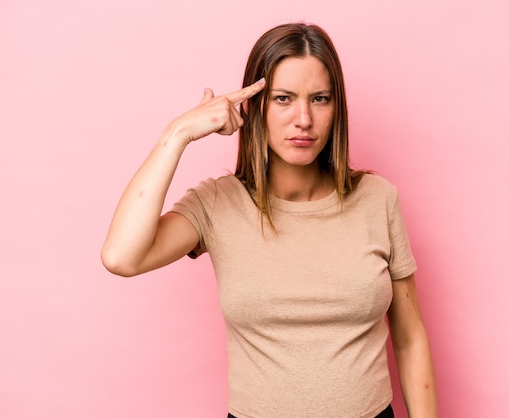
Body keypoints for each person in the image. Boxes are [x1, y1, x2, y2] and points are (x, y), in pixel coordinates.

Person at [101, 23, 437, 418]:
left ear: (336, 108)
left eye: (320, 98)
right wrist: (177, 134)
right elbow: (121, 257)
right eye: (283, 98)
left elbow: (410, 337)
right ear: (255, 105)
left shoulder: (378, 199)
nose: (304, 118)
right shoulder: (218, 203)